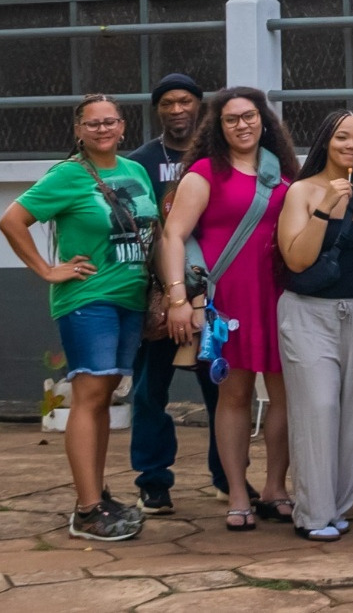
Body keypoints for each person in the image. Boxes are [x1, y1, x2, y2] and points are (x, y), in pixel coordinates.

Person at [2, 95, 156, 541]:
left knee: (103, 396)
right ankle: (88, 511)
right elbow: (12, 219)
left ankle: (97, 495)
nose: (102, 129)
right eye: (93, 123)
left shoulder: (135, 171)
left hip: (130, 297)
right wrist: (47, 269)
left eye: (110, 122)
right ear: (78, 131)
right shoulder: (68, 174)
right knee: (89, 396)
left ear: (123, 126)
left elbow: (154, 230)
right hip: (89, 299)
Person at [158, 87, 298, 532]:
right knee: (233, 395)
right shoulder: (204, 173)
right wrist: (179, 299)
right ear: (218, 127)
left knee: (285, 397)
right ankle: (237, 492)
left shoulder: (283, 173)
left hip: (280, 297)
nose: (242, 125)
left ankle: (275, 487)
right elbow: (173, 236)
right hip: (226, 302)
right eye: (232, 119)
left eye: (250, 116)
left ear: (264, 121)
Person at [125, 73, 232, 514]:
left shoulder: (217, 156)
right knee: (149, 392)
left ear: (199, 105)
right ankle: (153, 481)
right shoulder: (140, 162)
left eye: (185, 101)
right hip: (158, 296)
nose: (176, 110)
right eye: (167, 103)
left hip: (213, 293)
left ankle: (228, 477)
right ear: (157, 110)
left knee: (222, 389)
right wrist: (172, 296)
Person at [277, 110, 353, 541]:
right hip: (307, 313)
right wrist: (324, 208)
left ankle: (338, 506)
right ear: (325, 141)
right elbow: (297, 259)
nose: (351, 145)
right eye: (342, 137)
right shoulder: (301, 191)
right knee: (318, 409)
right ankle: (312, 514)